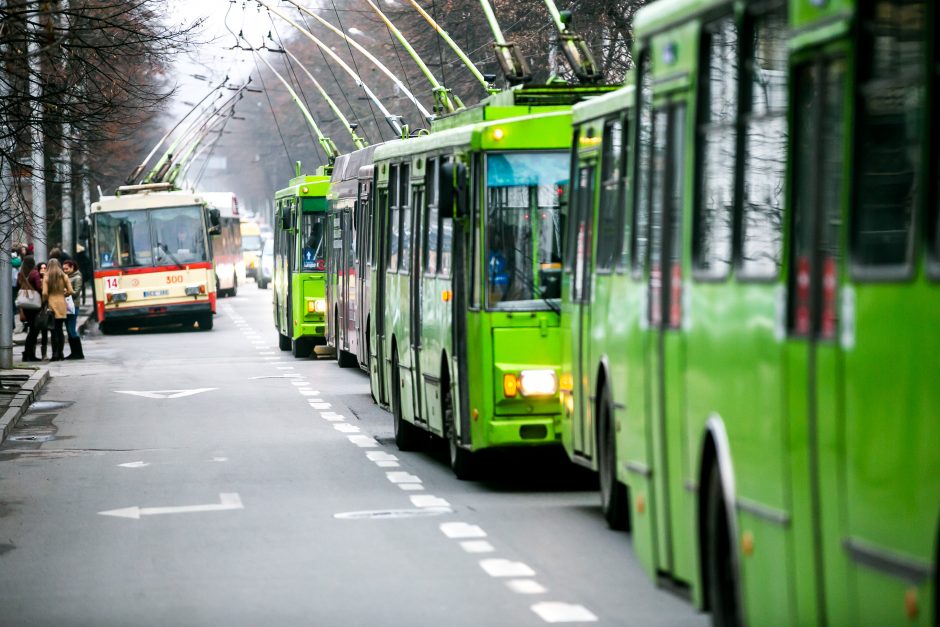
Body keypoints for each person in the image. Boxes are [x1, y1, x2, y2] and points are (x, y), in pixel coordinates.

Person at [41, 259, 73, 362]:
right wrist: (64, 294)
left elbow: (45, 293)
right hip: (62, 304)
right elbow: (71, 291)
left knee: (53, 330)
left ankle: (54, 354)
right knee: (60, 330)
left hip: (51, 305)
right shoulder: (64, 276)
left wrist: (45, 301)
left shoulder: (46, 277)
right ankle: (61, 353)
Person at [18, 256, 40, 362]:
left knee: (31, 329)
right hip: (34, 304)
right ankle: (29, 353)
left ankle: (28, 353)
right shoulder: (34, 273)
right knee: (34, 331)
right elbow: (39, 287)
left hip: (25, 305)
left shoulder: (21, 273)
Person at [62, 259, 84, 360]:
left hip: (73, 305)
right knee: (69, 329)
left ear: (72, 267)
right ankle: (74, 352)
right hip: (66, 305)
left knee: (71, 329)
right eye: (64, 269)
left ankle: (78, 353)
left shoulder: (77, 277)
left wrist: (66, 291)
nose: (65, 270)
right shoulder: (67, 277)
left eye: (67, 268)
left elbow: (76, 292)